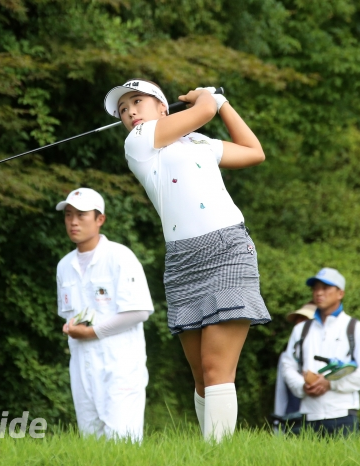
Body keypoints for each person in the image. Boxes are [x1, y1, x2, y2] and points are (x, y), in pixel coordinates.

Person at [103, 80, 271, 441]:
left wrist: (223, 104)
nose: (130, 112)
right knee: (201, 376)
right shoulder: (138, 142)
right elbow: (203, 109)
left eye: (137, 101)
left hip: (227, 250)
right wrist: (206, 98)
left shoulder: (199, 142)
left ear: (163, 106)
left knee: (215, 367)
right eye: (123, 109)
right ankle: (212, 450)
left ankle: (219, 455)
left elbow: (254, 151)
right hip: (183, 261)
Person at [55, 188, 154, 441]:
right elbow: (68, 316)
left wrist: (93, 332)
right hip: (82, 366)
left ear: (100, 219)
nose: (73, 221)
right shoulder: (65, 266)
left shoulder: (120, 257)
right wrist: (72, 328)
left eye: (81, 215)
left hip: (120, 366)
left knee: (122, 442)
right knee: (92, 444)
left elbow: (139, 311)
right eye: (68, 214)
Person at [281, 268, 360, 436]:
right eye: (315, 288)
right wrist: (302, 386)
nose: (318, 293)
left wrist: (330, 384)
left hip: (343, 414)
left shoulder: (355, 328)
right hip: (309, 414)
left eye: (325, 288)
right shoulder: (301, 329)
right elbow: (288, 365)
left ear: (340, 293)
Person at [272, 303, 316, 433]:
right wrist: (278, 425)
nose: (299, 324)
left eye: (305, 320)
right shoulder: (287, 356)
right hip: (293, 419)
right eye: (298, 319)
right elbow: (281, 393)